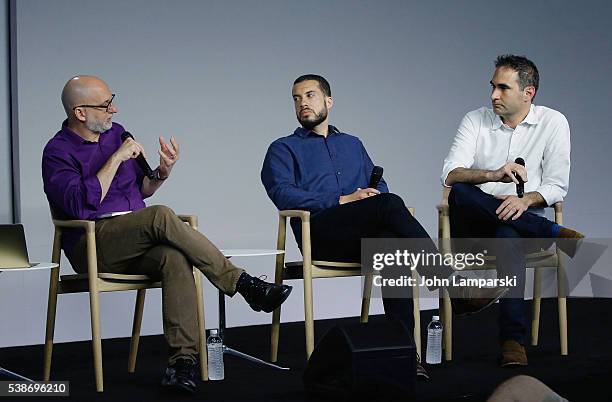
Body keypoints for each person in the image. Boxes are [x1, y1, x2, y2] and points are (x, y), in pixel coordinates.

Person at [42, 75, 292, 394]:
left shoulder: (117, 133)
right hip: (92, 242)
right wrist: (116, 157)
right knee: (161, 214)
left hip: (133, 235)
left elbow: (141, 190)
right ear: (80, 112)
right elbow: (78, 205)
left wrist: (162, 172)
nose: (114, 109)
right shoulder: (57, 152)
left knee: (173, 256)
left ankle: (180, 364)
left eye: (112, 100)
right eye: (105, 105)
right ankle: (243, 283)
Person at [261, 74, 507, 379]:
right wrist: (344, 199)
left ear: (328, 101)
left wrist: (370, 195)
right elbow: (282, 193)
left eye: (310, 95)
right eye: (296, 98)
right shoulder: (283, 148)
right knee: (390, 204)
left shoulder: (352, 144)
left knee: (394, 248)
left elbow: (380, 188)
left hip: (361, 235)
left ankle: (405, 356)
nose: (303, 104)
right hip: (321, 234)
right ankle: (453, 286)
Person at [442, 55, 583, 367]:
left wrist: (525, 200)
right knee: (462, 192)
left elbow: (557, 186)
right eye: (492, 87)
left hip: (519, 223)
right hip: (475, 224)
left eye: (502, 88)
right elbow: (450, 174)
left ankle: (512, 341)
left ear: (527, 93)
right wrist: (493, 175)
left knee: (509, 232)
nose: (493, 95)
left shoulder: (553, 122)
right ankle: (550, 232)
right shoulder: (474, 119)